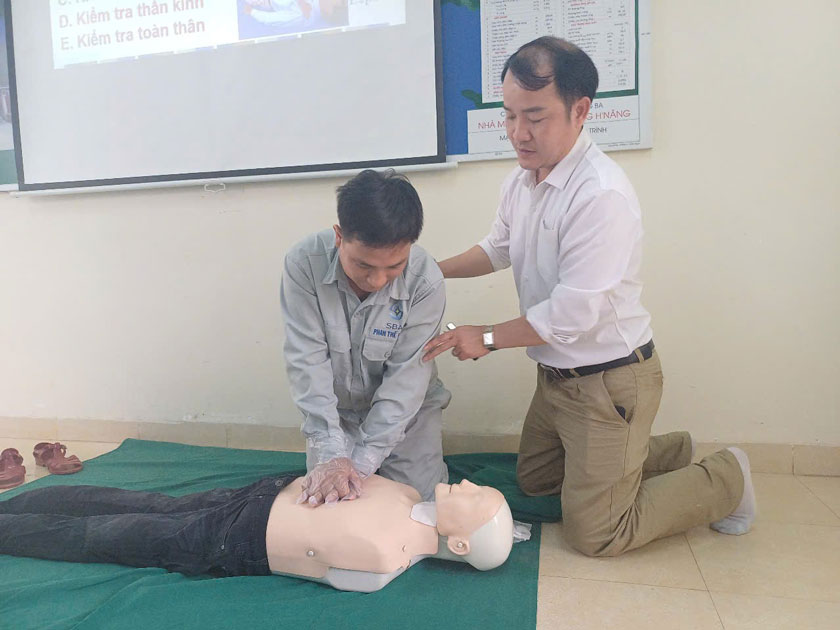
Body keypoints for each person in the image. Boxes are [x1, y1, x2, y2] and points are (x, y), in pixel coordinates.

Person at [423, 37, 756, 557]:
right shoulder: (522, 180)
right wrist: (426, 271)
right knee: (537, 483)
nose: (518, 133)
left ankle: (727, 475)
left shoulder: (600, 194)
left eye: (535, 117)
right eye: (509, 115)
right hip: (556, 377)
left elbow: (571, 315)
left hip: (610, 380)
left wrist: (485, 337)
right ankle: (669, 452)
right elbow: (497, 248)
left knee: (597, 533)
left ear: (580, 110)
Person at [0, 475, 516, 592]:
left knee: (106, 533)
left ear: (460, 544)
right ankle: (19, 502)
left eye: (475, 498)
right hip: (261, 493)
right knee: (146, 504)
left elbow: (328, 568)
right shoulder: (406, 492)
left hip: (236, 540)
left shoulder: (385, 556)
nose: (467, 485)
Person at [281, 169, 450, 506]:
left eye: (394, 266)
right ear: (339, 236)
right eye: (363, 266)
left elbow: (406, 383)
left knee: (419, 505)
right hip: (336, 414)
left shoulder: (425, 280)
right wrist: (332, 454)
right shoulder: (303, 265)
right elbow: (307, 363)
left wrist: (359, 465)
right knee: (327, 506)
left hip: (409, 416)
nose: (377, 281)